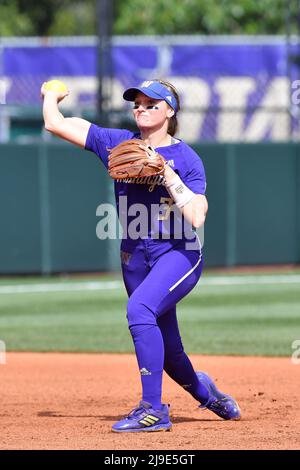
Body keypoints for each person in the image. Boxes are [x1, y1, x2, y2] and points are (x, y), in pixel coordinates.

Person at [41, 78, 241, 433]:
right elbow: (55, 123)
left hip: (177, 253)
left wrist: (165, 171)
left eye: (152, 104)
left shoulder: (186, 158)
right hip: (135, 257)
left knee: (140, 310)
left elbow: (196, 216)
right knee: (171, 353)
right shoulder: (118, 143)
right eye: (137, 103)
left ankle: (153, 409)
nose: (141, 108)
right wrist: (51, 97)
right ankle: (211, 397)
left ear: (170, 111)